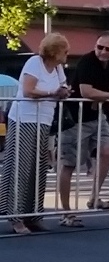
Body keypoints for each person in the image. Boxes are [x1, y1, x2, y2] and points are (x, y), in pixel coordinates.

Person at [0, 33, 71, 233]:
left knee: (39, 168)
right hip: (24, 119)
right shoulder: (34, 63)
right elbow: (28, 91)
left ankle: (33, 215)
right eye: (64, 50)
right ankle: (15, 216)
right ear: (55, 51)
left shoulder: (57, 68)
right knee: (21, 168)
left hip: (44, 120)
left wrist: (64, 91)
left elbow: (62, 85)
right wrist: (52, 93)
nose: (67, 54)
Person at [58, 32, 109, 222]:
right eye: (100, 47)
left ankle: (94, 197)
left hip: (97, 116)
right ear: (95, 46)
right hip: (75, 118)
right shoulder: (87, 61)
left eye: (108, 49)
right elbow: (86, 91)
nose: (103, 52)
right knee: (69, 164)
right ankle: (66, 211)